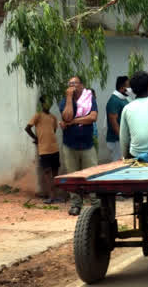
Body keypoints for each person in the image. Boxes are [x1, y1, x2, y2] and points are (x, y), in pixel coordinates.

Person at [59, 76, 99, 216]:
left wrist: (74, 122)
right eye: (70, 84)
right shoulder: (65, 101)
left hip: (87, 145)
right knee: (73, 176)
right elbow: (67, 117)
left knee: (93, 175)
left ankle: (96, 203)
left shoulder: (89, 99)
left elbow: (92, 118)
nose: (72, 86)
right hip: (70, 145)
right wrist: (69, 97)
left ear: (82, 85)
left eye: (75, 83)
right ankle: (76, 204)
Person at [25, 96, 60, 204]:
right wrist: (36, 138)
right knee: (47, 173)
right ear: (42, 104)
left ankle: (55, 195)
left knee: (55, 173)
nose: (47, 105)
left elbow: (53, 130)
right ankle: (51, 196)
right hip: (44, 150)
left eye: (49, 103)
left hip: (54, 148)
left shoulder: (53, 117)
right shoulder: (38, 116)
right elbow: (27, 128)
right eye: (45, 103)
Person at [104, 76, 130, 163]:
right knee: (118, 163)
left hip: (122, 140)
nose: (130, 89)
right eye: (128, 86)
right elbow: (113, 122)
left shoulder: (123, 99)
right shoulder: (114, 100)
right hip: (116, 141)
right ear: (122, 87)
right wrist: (122, 138)